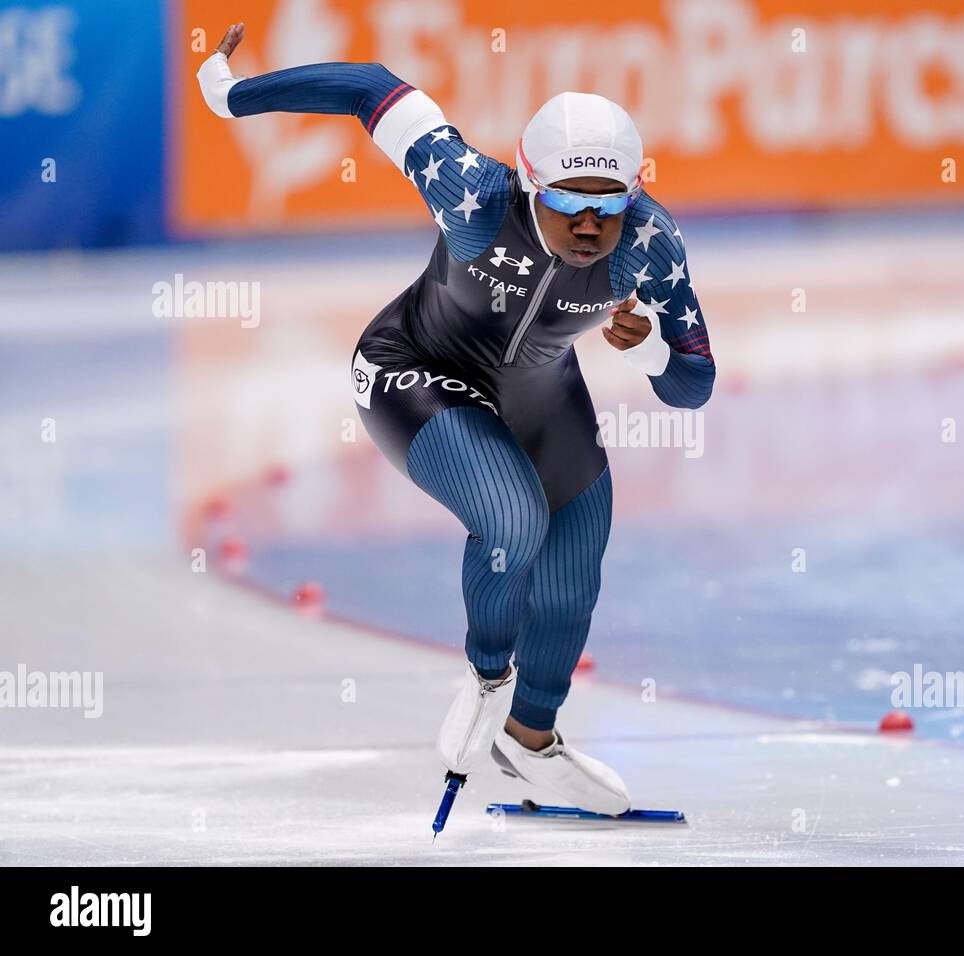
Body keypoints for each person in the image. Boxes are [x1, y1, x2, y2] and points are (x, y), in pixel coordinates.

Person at [197, 22, 714, 815]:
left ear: (636, 196)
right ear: (529, 185)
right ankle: (484, 677)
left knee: (577, 561)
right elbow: (371, 86)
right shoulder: (474, 193)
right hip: (415, 372)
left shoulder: (651, 245)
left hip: (539, 390)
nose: (588, 224)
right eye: (566, 203)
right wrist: (235, 97)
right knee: (513, 520)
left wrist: (647, 354)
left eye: (608, 206)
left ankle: (531, 742)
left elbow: (695, 384)